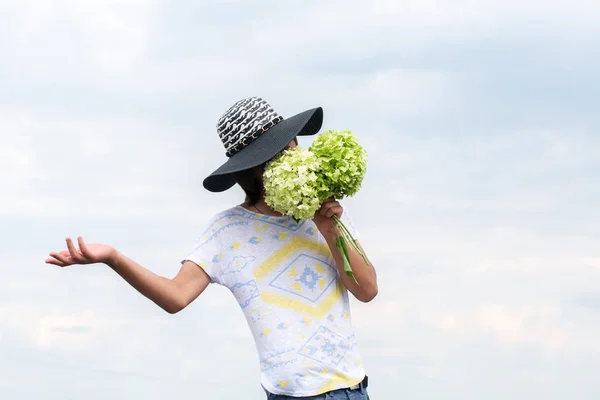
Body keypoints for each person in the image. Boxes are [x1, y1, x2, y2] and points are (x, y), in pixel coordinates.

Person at [45, 97, 378, 399]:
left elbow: (367, 290)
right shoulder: (226, 231)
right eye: (278, 152)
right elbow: (175, 296)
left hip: (352, 390)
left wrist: (328, 227)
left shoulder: (324, 213)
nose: (292, 153)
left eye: (291, 143)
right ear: (253, 170)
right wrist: (113, 258)